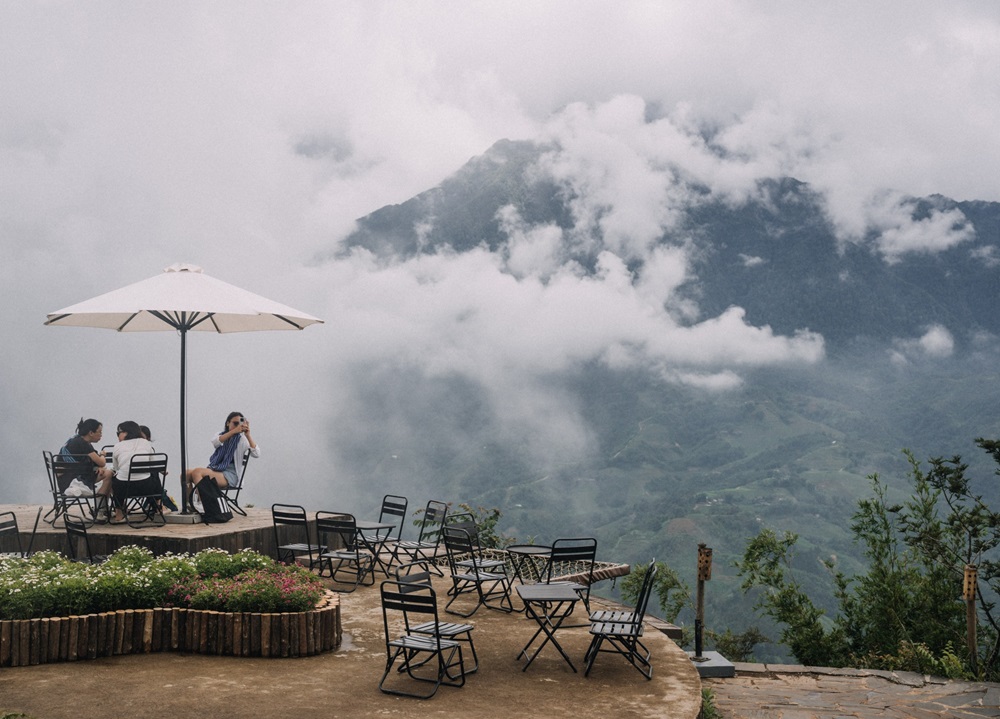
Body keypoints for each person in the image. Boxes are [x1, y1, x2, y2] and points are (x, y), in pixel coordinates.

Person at [185, 411, 259, 499]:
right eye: (235, 423)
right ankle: (190, 504)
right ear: (228, 423)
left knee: (197, 472)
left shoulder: (242, 440)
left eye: (239, 423)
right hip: (216, 468)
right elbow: (215, 442)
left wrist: (248, 435)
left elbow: (256, 454)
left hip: (230, 474)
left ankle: (204, 503)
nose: (237, 426)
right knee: (185, 474)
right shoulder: (220, 435)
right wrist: (233, 432)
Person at [57, 418, 114, 518]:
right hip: (72, 482)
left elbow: (93, 462)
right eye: (99, 432)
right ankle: (100, 510)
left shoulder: (75, 440)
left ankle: (103, 510)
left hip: (65, 480)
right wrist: (103, 454)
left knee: (106, 474)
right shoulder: (83, 444)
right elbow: (101, 462)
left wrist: (97, 467)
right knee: (110, 474)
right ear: (91, 433)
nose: (101, 435)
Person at [111, 420, 162, 524]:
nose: (118, 435)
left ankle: (119, 515)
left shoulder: (117, 446)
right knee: (154, 473)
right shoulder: (147, 444)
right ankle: (158, 506)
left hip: (124, 489)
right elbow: (152, 464)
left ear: (126, 432)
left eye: (118, 432)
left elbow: (116, 468)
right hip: (147, 488)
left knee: (115, 479)